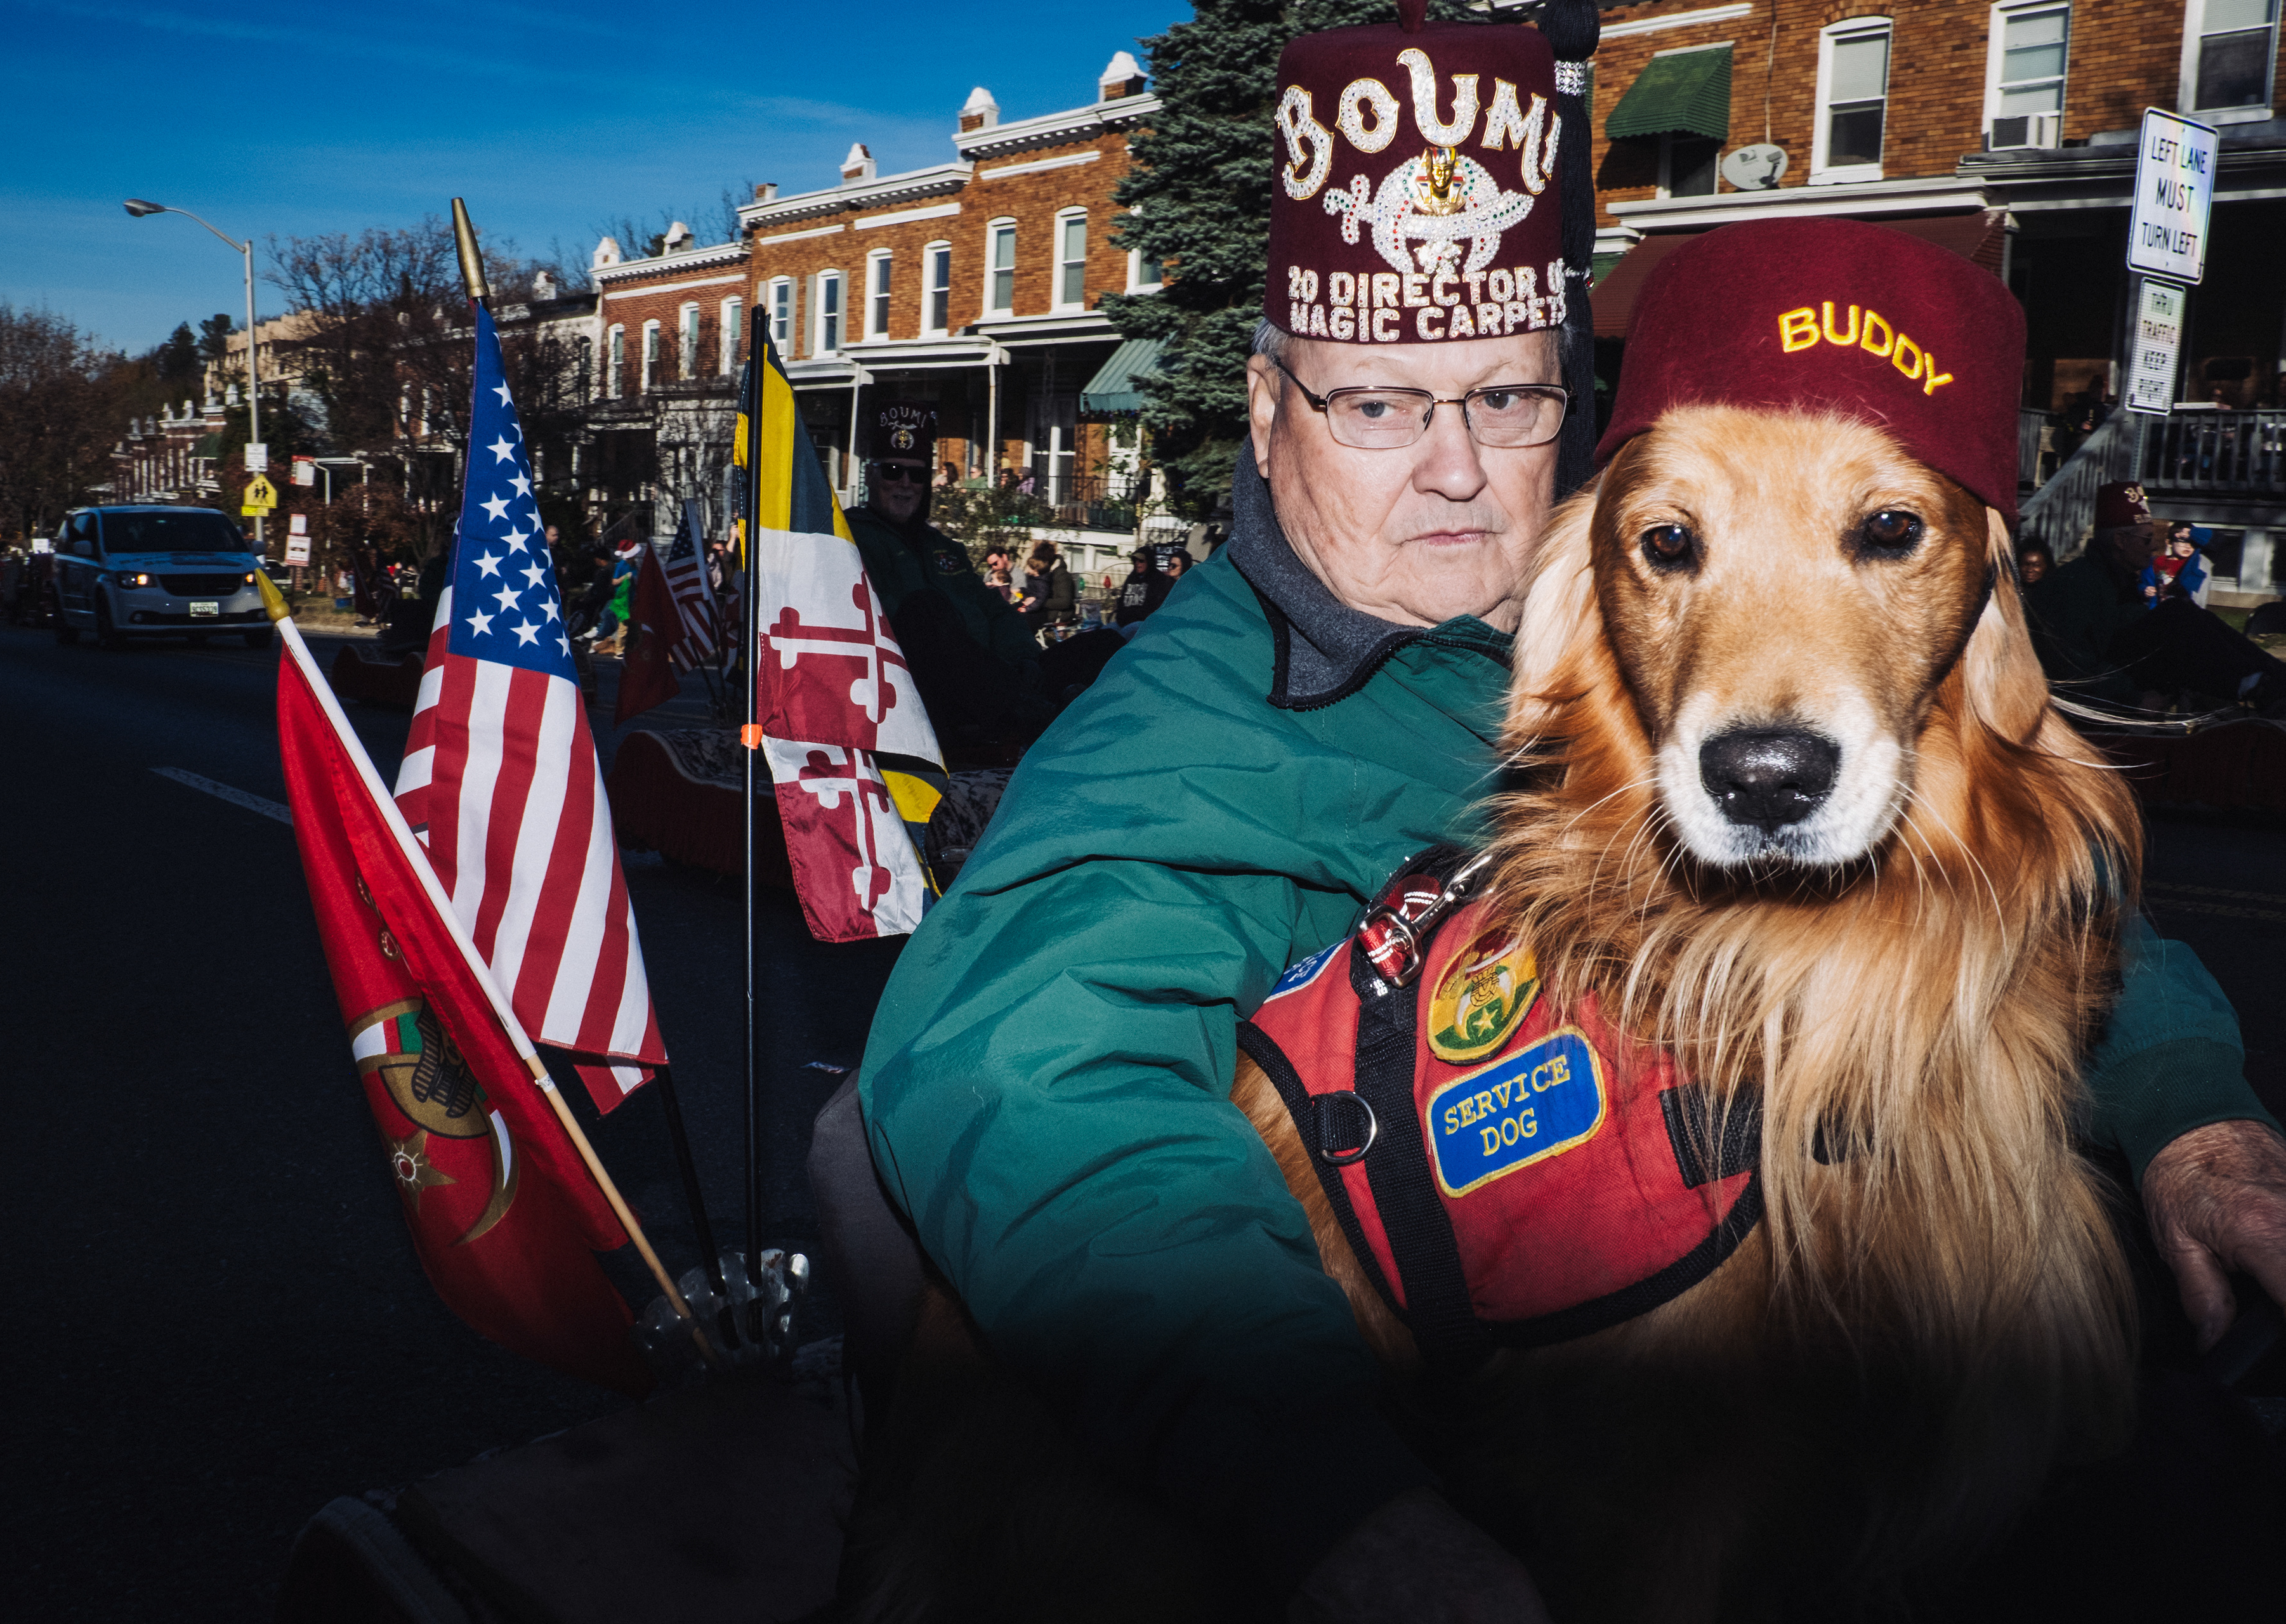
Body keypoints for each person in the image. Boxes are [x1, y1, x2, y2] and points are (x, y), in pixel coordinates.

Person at [815, 11, 2286, 1619]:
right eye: (1376, 406)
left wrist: (2183, 1106)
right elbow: (1046, 1091)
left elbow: (1994, 872)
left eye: (1505, 399)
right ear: (1263, 411)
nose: (1452, 471)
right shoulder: (1183, 732)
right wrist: (1336, 1508)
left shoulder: (1614, 589)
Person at [843, 401, 1053, 749]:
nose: (906, 484)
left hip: (987, 678)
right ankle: (1022, 712)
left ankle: (1039, 706)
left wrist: (1025, 659)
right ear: (872, 476)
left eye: (918, 474)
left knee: (1105, 645)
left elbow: (993, 609)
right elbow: (884, 614)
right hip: (910, 688)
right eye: (894, 471)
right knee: (927, 610)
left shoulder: (944, 547)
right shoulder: (851, 536)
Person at [2030, 481, 2286, 714]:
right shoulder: (2074, 584)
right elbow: (2068, 666)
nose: (2153, 547)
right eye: (2147, 539)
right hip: (2087, 704)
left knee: (2188, 614)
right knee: (2175, 614)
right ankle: (2257, 685)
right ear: (2120, 540)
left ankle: (2272, 679)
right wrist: (2133, 699)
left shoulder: (2121, 580)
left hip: (2122, 678)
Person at [1113, 546, 1162, 626]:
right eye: (1135, 560)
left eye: (1141, 561)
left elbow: (1155, 606)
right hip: (1123, 622)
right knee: (1106, 630)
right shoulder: (1131, 578)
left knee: (1126, 632)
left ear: (1149, 561)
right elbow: (1122, 601)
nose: (1137, 563)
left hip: (1143, 624)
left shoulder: (1158, 579)